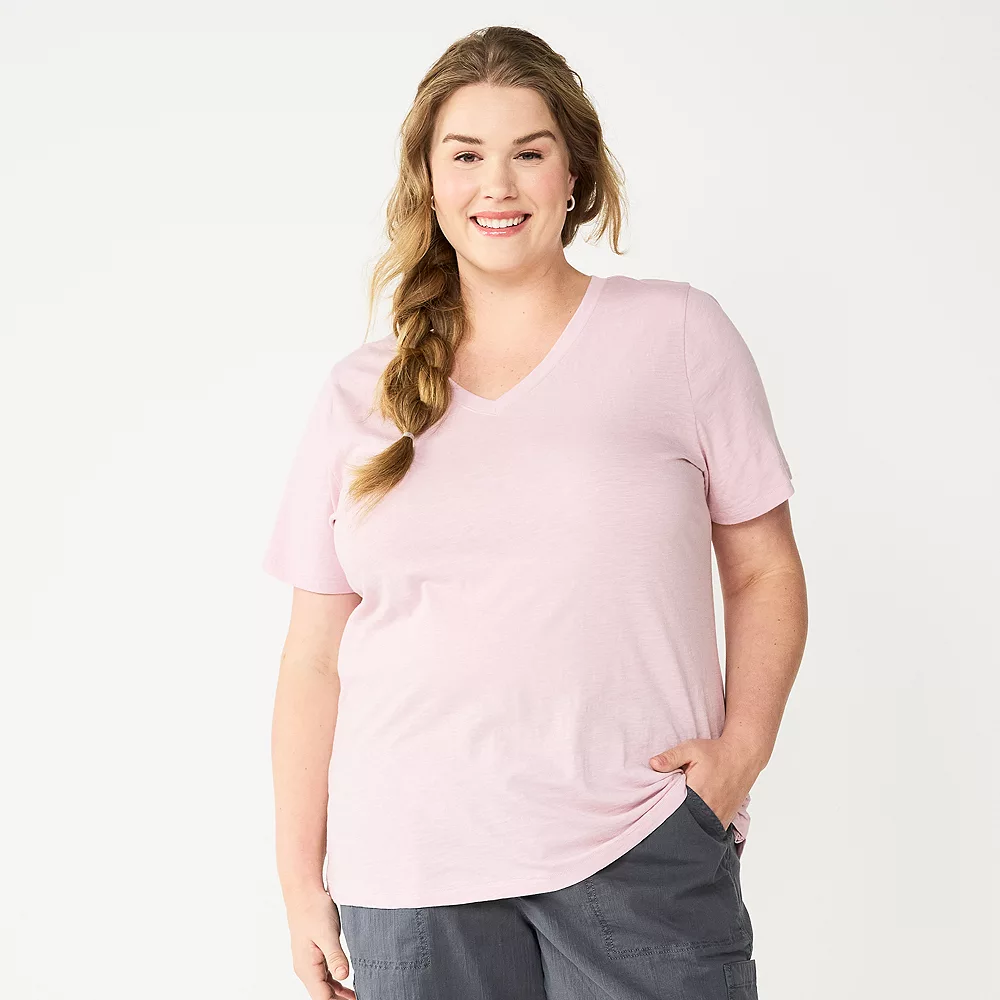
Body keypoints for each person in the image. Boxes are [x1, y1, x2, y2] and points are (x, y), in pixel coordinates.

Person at [262, 25, 806, 1000]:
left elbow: (764, 568)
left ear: (573, 174)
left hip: (639, 847)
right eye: (466, 155)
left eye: (528, 152)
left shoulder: (678, 334)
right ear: (429, 183)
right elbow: (312, 657)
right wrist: (300, 881)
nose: (497, 185)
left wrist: (739, 758)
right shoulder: (358, 392)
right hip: (409, 871)